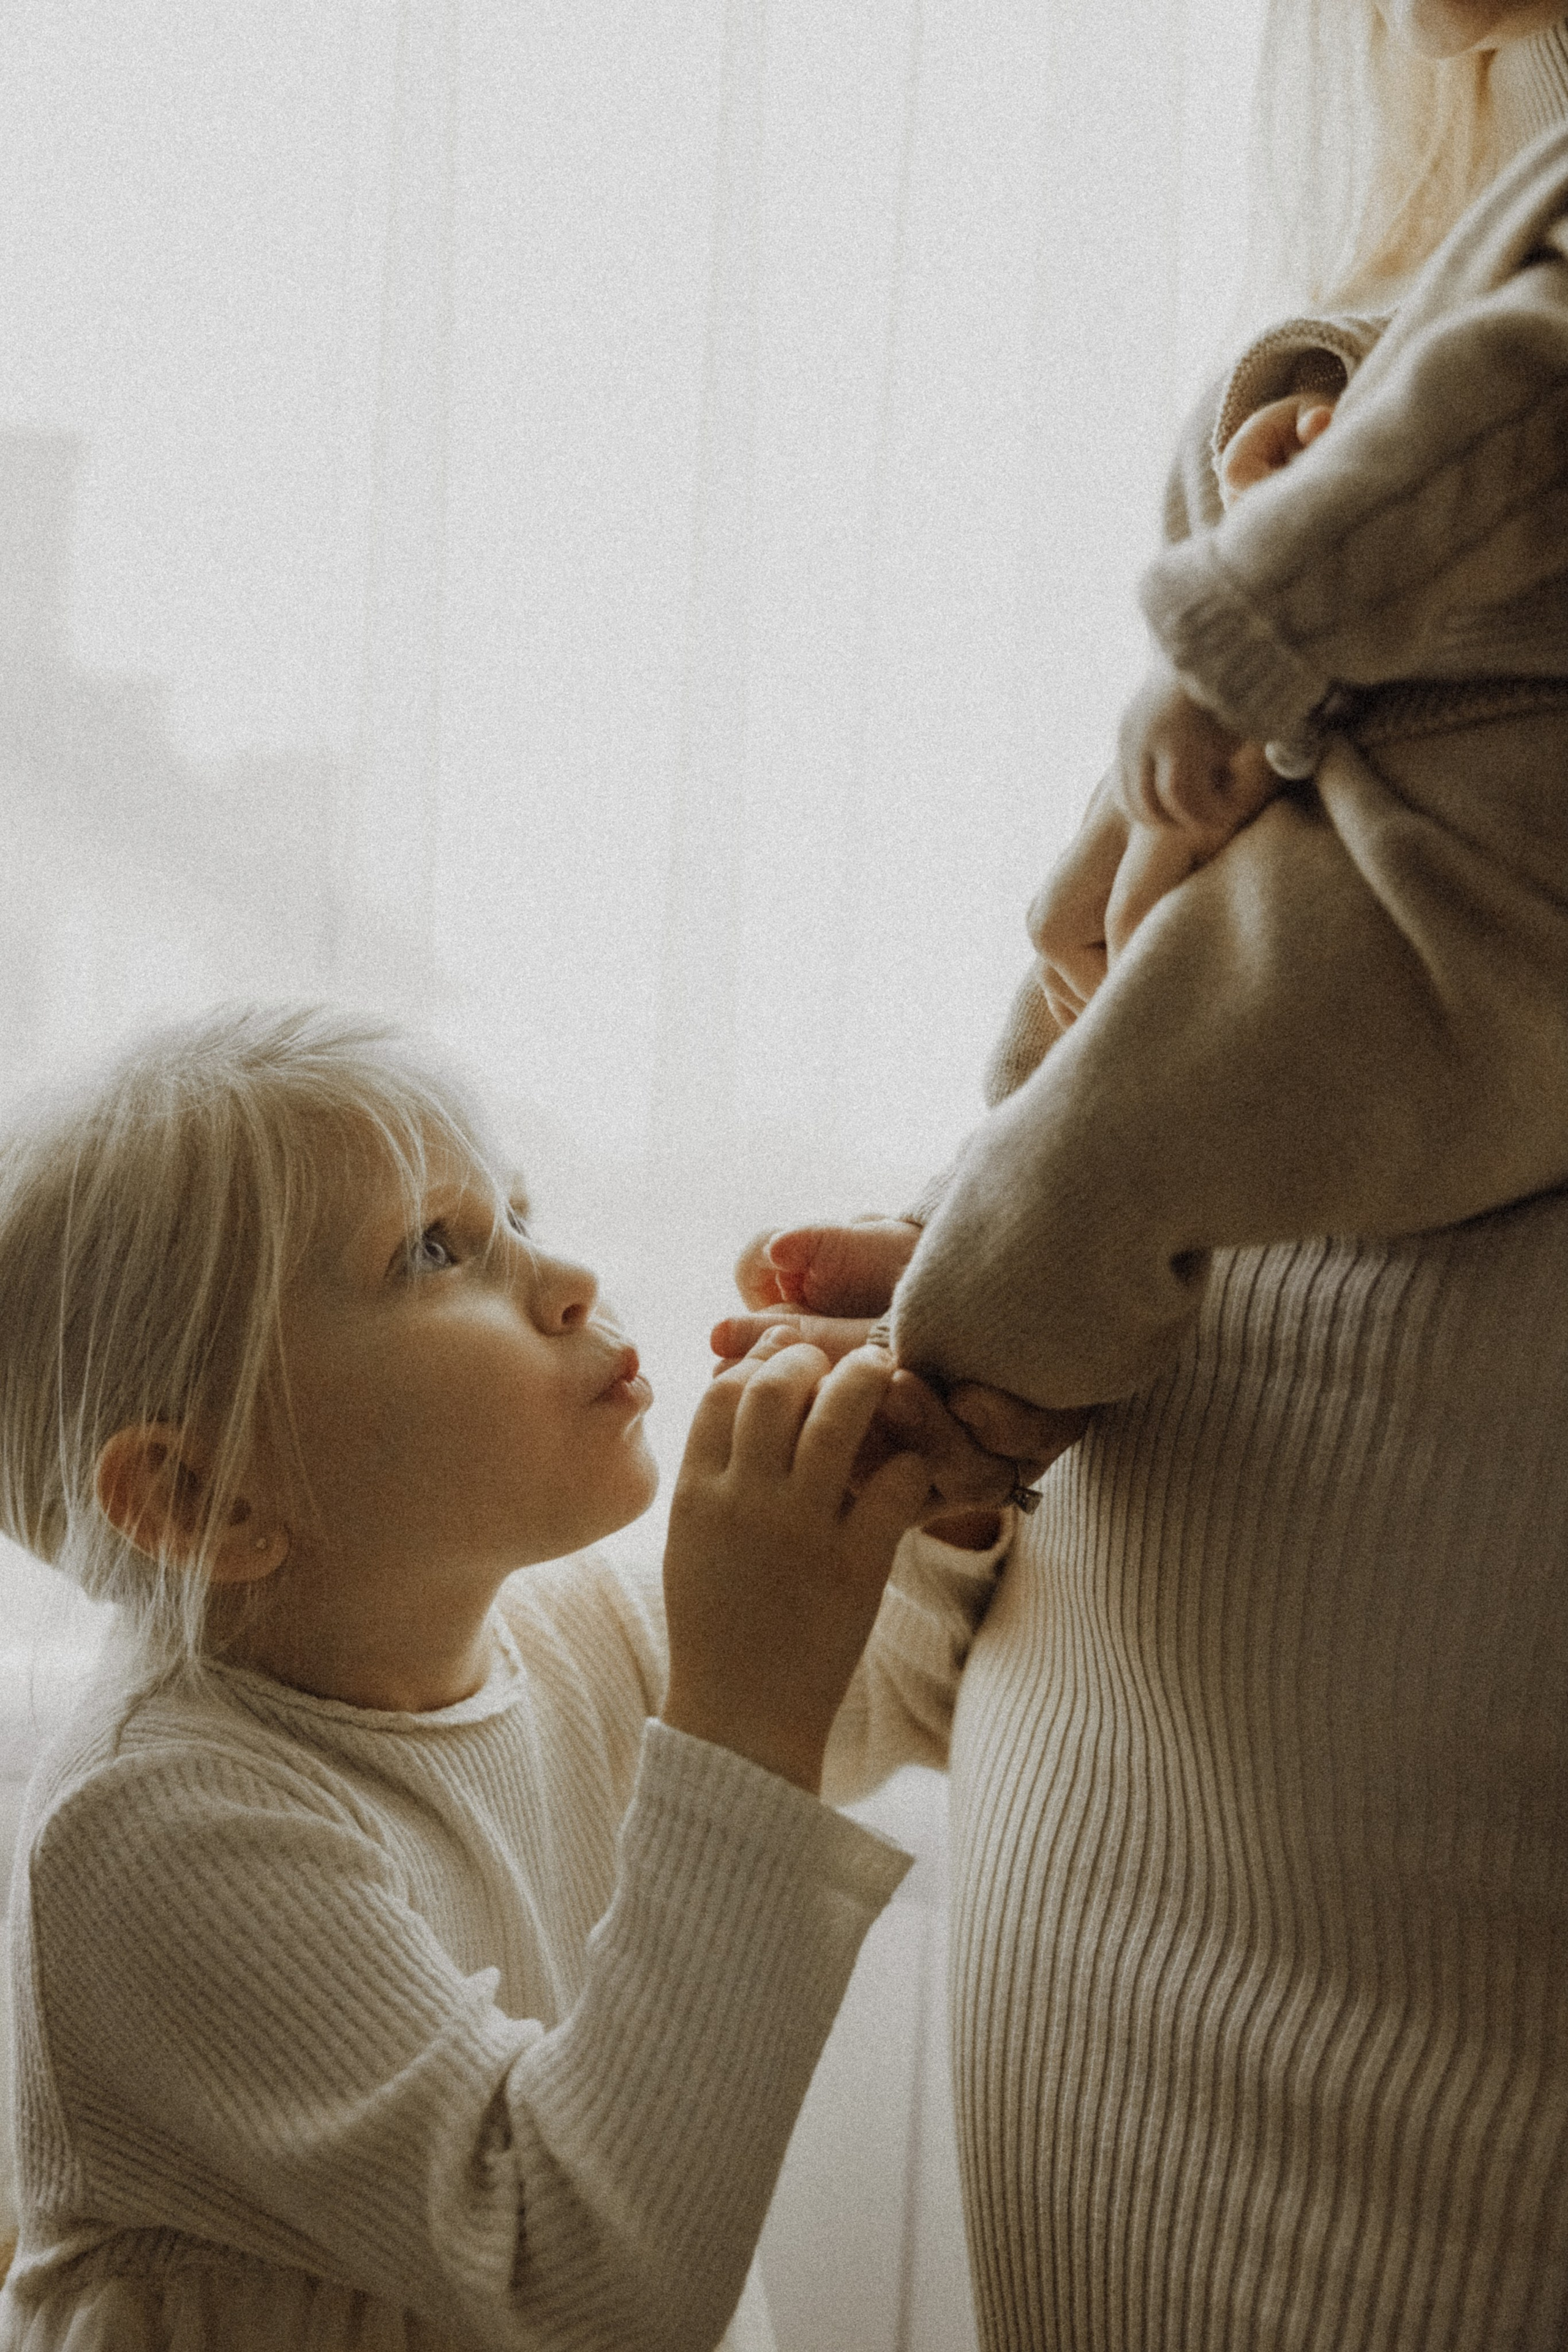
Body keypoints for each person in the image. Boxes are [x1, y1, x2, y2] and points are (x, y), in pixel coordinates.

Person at [718, 5, 1568, 2345]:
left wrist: (1232, 643)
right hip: (1147, 2072)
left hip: (1440, 2121)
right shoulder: (1442, 245)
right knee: (1096, 991)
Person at [0, 1003, 1070, 2352]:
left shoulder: (569, 1637)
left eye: (520, 1209)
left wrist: (920, 1503)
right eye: (435, 1251)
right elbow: (588, 2281)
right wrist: (740, 1713)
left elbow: (907, 1689)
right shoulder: (156, 1826)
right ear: (200, 1495)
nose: (566, 1276)